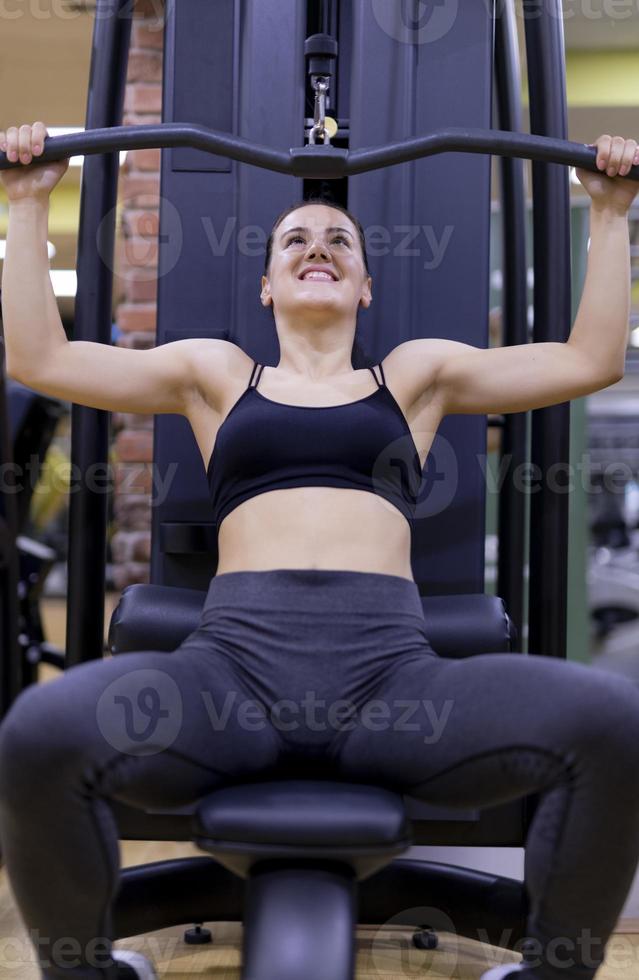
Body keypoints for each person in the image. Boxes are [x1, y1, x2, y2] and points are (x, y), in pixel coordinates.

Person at [1, 123, 639, 980]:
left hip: (390, 684)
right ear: (265, 286)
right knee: (37, 732)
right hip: (232, 673)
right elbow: (41, 357)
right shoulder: (216, 376)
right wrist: (28, 199)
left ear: (365, 286)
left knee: (611, 724)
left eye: (340, 240)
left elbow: (589, 359)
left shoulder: (413, 379)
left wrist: (607, 212)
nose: (318, 247)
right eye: (294, 240)